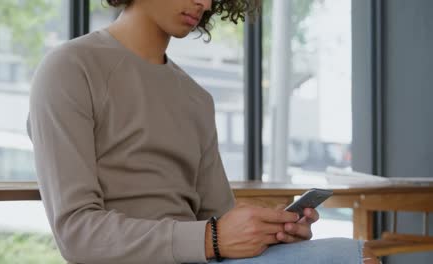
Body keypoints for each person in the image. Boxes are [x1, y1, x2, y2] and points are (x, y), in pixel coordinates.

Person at [27, 0, 378, 263]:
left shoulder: (195, 98)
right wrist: (212, 238)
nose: (206, 3)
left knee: (357, 256)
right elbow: (76, 233)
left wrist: (271, 233)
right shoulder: (69, 70)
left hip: (201, 257)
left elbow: (218, 219)